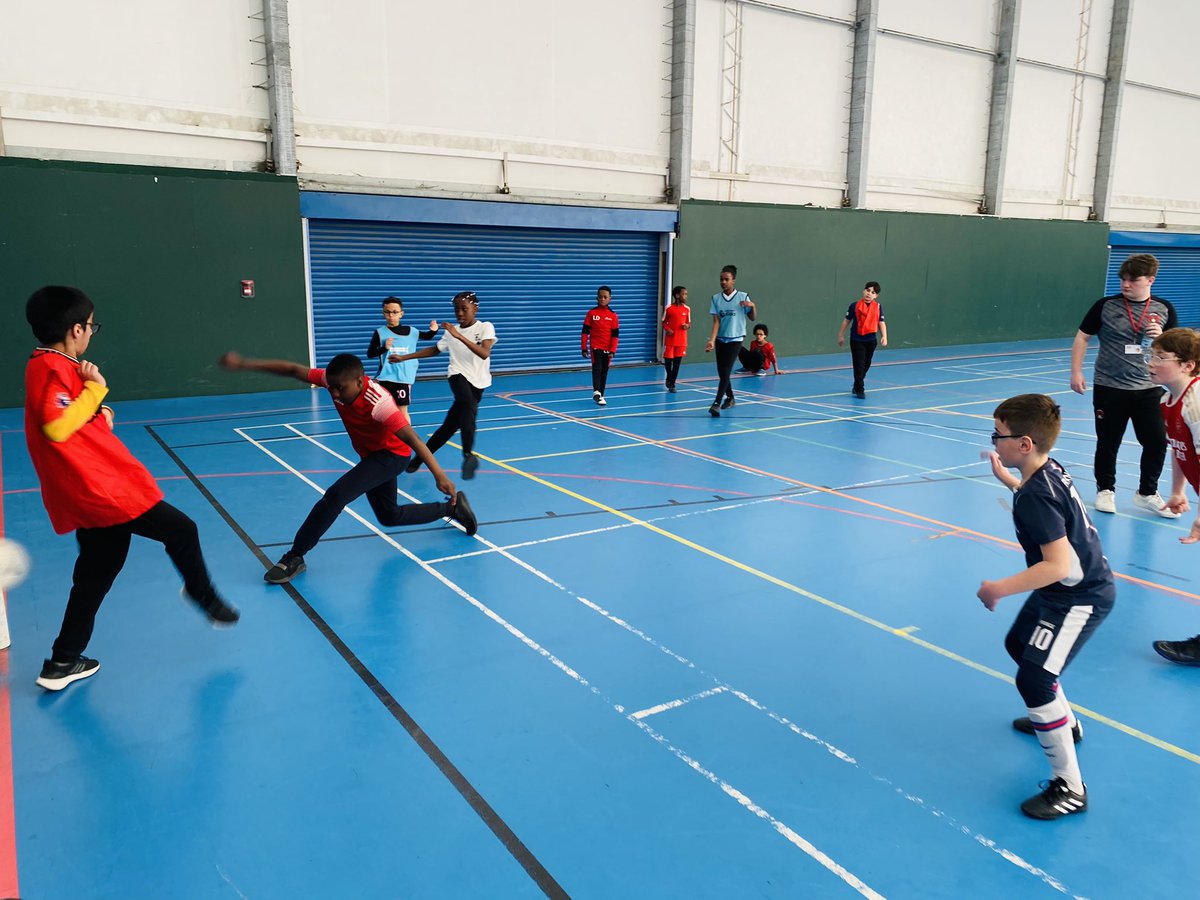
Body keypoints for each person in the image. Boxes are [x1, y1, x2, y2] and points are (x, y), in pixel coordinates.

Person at [24, 286, 239, 691]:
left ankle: (62, 662)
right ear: (75, 329)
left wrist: (98, 413)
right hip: (103, 492)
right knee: (181, 529)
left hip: (89, 492)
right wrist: (96, 390)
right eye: (90, 326)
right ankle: (202, 595)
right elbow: (56, 426)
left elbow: (74, 428)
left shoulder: (52, 365)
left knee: (95, 575)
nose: (91, 333)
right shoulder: (52, 368)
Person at [218, 351, 477, 584]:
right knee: (389, 516)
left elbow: (413, 438)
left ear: (360, 381)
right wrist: (246, 363)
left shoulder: (380, 403)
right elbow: (293, 369)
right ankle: (453, 508)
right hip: (372, 455)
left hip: (391, 455)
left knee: (336, 495)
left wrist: (439, 474)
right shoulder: (336, 381)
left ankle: (295, 557)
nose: (335, 395)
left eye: (340, 389)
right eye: (331, 388)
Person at [978, 394, 1115, 819]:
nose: (993, 442)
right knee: (1020, 646)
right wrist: (1011, 483)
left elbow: (1058, 564)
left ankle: (1071, 787)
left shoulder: (1038, 493)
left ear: (1023, 443)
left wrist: (1001, 587)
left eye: (998, 435)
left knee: (1034, 679)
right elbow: (1049, 516)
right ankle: (1065, 722)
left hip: (1079, 596)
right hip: (1062, 590)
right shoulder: (1047, 471)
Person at [1070, 253, 1180, 516]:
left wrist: (1162, 338)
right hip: (1110, 387)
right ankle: (1105, 490)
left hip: (1149, 389)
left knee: (1155, 442)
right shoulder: (1105, 306)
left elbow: (1175, 351)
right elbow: (1082, 338)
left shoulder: (1164, 308)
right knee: (1108, 442)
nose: (1126, 284)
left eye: (1133, 280)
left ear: (1150, 280)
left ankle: (1147, 493)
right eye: (1123, 279)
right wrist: (1076, 371)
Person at [395, 291, 497, 480]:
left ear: (475, 308)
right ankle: (468, 454)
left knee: (447, 428)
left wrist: (458, 336)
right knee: (467, 404)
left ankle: (418, 460)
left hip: (479, 383)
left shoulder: (485, 327)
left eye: (464, 309)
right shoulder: (451, 332)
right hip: (457, 375)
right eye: (456, 309)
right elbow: (434, 350)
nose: (459, 313)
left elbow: (484, 353)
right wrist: (404, 357)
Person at [1147, 328, 1200, 665]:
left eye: (1160, 358)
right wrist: (1178, 490)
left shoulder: (1196, 403)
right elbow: (1181, 449)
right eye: (1151, 356)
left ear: (1188, 365)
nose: (1151, 364)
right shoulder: (1169, 401)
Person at [365, 296, 437, 408]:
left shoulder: (412, 331)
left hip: (403, 378)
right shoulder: (379, 333)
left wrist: (434, 330)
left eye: (394, 312)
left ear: (401, 314)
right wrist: (384, 348)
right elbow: (370, 354)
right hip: (385, 378)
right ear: (383, 313)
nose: (391, 315)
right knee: (384, 410)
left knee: (402, 410)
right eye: (387, 312)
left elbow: (427, 336)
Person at [704, 264, 756, 417]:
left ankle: (716, 403)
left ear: (733, 281)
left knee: (726, 370)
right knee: (722, 372)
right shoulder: (716, 298)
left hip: (736, 338)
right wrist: (712, 340)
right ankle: (731, 397)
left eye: (726, 279)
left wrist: (752, 306)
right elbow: (716, 322)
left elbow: (752, 317)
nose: (723, 282)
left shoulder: (743, 297)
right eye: (721, 279)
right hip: (721, 339)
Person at [837, 281, 887, 399]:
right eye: (868, 291)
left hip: (871, 340)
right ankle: (860, 388)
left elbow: (881, 322)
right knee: (858, 364)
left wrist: (884, 336)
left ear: (876, 296)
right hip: (857, 339)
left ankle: (857, 383)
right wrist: (841, 335)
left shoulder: (878, 307)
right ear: (863, 291)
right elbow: (847, 320)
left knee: (867, 363)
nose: (869, 294)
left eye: (873, 292)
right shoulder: (854, 305)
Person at [581, 285, 619, 406]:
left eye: (605, 297)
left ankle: (601, 395)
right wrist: (584, 348)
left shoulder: (613, 316)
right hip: (595, 347)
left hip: (607, 349)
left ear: (610, 299)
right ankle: (596, 391)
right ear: (596, 298)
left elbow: (615, 336)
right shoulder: (591, 313)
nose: (602, 299)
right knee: (597, 369)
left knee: (604, 372)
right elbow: (585, 332)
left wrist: (613, 350)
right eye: (600, 297)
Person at [661, 285, 691, 393]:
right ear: (677, 295)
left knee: (677, 363)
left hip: (681, 341)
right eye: (684, 294)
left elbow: (689, 323)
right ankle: (669, 377)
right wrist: (667, 329)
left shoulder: (687, 309)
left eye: (686, 294)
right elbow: (664, 322)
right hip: (670, 341)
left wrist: (686, 326)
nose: (686, 296)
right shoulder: (668, 308)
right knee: (668, 362)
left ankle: (672, 383)